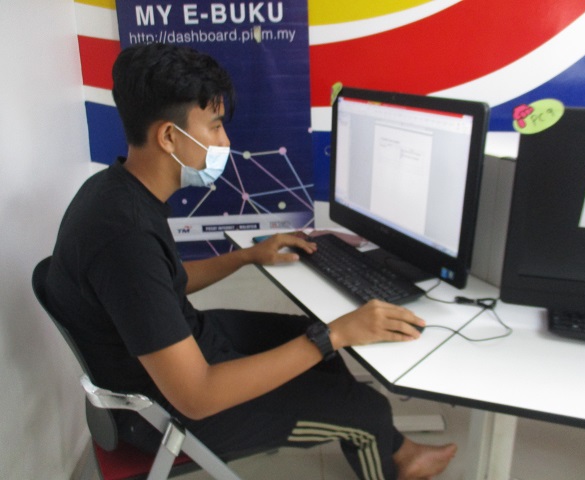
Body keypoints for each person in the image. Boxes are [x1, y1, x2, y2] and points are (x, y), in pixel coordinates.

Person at [45, 43, 456, 479]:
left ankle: (398, 448)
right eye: (215, 126)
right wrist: (335, 334)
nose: (225, 141)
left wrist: (246, 257)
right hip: (169, 411)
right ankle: (387, 450)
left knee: (315, 341)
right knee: (365, 405)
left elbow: (162, 284)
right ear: (168, 137)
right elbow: (197, 396)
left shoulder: (115, 191)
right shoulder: (124, 237)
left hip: (179, 353)